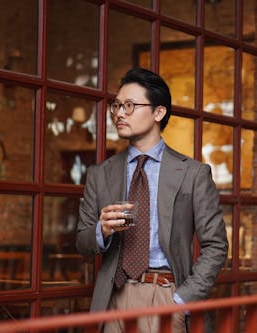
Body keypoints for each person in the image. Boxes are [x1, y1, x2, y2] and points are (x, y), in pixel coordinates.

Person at [76, 67, 228, 333]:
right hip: (114, 299)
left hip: (165, 296)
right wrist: (102, 230)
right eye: (117, 106)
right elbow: (82, 241)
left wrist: (183, 299)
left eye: (130, 105)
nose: (119, 113)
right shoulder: (100, 174)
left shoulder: (193, 173)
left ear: (159, 112)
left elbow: (216, 245)